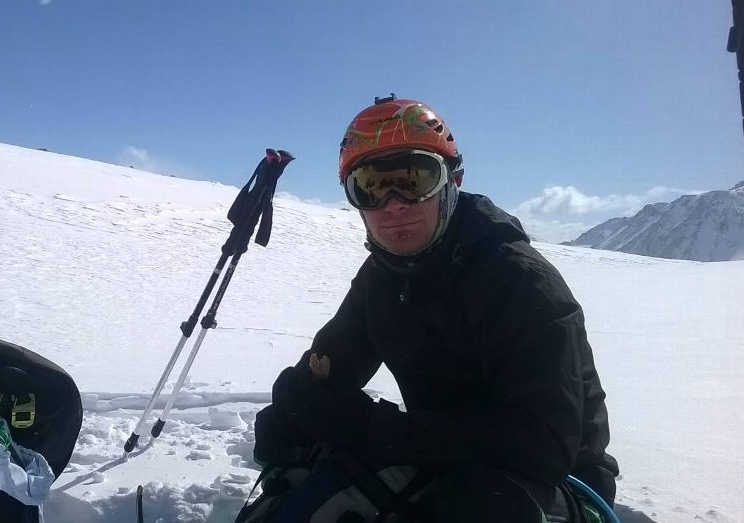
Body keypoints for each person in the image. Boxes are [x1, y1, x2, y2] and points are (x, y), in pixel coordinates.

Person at [254, 96, 619, 521]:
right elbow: (331, 363)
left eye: (415, 180)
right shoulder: (384, 276)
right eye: (370, 186)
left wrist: (373, 429)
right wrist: (295, 403)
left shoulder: (519, 283)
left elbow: (542, 446)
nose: (393, 204)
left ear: (452, 183)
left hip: (550, 483)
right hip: (447, 456)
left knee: (477, 504)